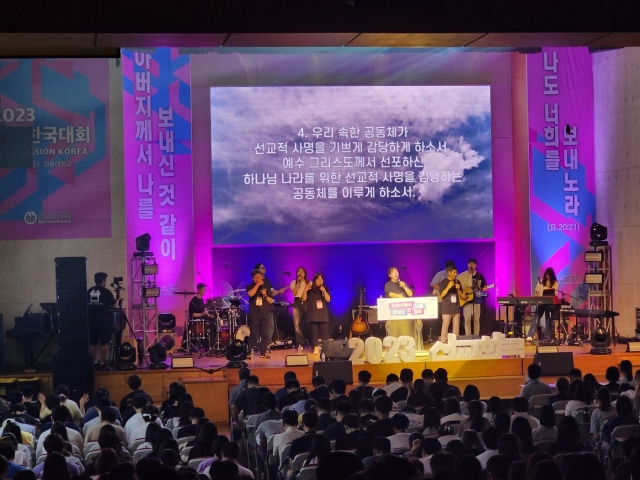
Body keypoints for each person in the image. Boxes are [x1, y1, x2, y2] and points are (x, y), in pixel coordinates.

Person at [87, 272, 119, 369]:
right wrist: (118, 299)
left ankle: (94, 362)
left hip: (91, 320)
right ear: (103, 281)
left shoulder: (89, 291)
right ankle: (102, 363)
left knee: (92, 343)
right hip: (103, 321)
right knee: (104, 343)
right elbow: (114, 305)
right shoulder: (106, 292)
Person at [246, 269, 275, 358]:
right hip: (254, 314)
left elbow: (271, 301)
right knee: (253, 334)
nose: (257, 279)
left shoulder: (267, 286)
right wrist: (258, 284)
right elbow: (250, 294)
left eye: (258, 277)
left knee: (265, 334)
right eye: (255, 278)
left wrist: (265, 295)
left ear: (262, 277)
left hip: (265, 314)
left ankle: (263, 352)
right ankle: (249, 351)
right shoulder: (250, 286)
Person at [384, 266, 419, 341]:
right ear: (390, 275)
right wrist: (399, 296)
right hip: (394, 311)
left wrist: (405, 287)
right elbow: (390, 294)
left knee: (405, 329)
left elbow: (410, 294)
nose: (396, 273)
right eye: (394, 272)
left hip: (405, 311)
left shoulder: (402, 283)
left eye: (397, 272)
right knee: (396, 330)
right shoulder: (388, 284)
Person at [527, 267, 559, 342]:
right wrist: (537, 299)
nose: (547, 276)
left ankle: (547, 337)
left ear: (551, 275)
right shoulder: (541, 281)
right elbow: (536, 291)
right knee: (536, 318)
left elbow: (555, 294)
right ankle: (530, 335)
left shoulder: (555, 283)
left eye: (548, 275)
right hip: (541, 302)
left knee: (548, 319)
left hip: (549, 303)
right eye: (546, 274)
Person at [456, 258, 488, 336]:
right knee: (467, 320)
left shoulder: (480, 276)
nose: (471, 265)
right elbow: (458, 286)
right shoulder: (463, 276)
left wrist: (485, 289)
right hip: (466, 301)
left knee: (476, 320)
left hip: (477, 300)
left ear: (476, 265)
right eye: (470, 263)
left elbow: (484, 287)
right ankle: (468, 337)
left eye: (473, 263)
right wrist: (461, 294)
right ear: (467, 265)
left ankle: (476, 336)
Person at [302, 273, 331, 356]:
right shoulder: (310, 289)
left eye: (321, 279)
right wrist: (305, 290)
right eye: (318, 279)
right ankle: (315, 348)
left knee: (325, 333)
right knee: (314, 333)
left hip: (323, 314)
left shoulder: (325, 288)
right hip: (313, 314)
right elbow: (304, 299)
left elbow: (328, 300)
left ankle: (326, 349)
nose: (320, 281)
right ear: (315, 280)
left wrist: (324, 291)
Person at [438, 265, 461, 342]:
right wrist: (448, 287)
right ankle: (443, 341)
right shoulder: (443, 282)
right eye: (454, 272)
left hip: (456, 308)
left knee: (456, 327)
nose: (456, 274)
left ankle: (455, 342)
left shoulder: (457, 281)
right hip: (446, 308)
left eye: (456, 272)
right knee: (445, 326)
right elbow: (442, 295)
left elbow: (461, 295)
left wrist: (458, 289)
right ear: (449, 272)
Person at [289, 267, 309, 348]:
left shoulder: (309, 282)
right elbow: (294, 293)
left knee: (308, 323)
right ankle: (300, 343)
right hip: (297, 302)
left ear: (305, 273)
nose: (300, 273)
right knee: (297, 324)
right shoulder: (293, 282)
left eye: (302, 271)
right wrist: (298, 282)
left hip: (307, 302)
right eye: (298, 271)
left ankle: (310, 341)